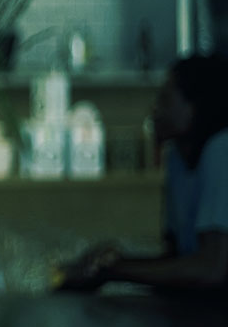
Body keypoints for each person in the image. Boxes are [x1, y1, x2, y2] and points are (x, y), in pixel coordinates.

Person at [60, 54, 228, 293]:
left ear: (196, 106)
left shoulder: (221, 150)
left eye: (166, 99)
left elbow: (211, 269)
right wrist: (112, 263)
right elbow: (177, 258)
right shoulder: (176, 158)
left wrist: (117, 270)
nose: (155, 109)